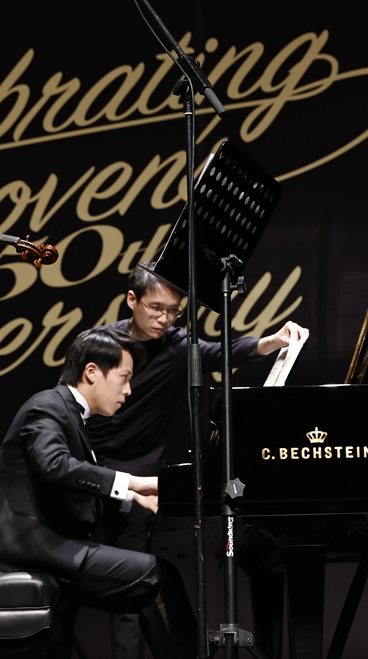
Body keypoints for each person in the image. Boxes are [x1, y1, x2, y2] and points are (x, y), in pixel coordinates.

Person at [91, 265, 308, 659]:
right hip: (89, 474)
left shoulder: (178, 346)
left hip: (140, 485)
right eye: (156, 308)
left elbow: (224, 352)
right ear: (131, 300)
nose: (164, 318)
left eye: (174, 311)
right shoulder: (101, 343)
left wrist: (271, 341)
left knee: (130, 593)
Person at [0, 328, 197, 659]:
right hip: (30, 549)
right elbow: (55, 465)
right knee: (157, 576)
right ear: (92, 372)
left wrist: (131, 499)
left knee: (154, 578)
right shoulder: (47, 407)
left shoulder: (72, 416)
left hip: (51, 546)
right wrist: (134, 483)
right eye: (123, 378)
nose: (129, 390)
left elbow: (70, 486)